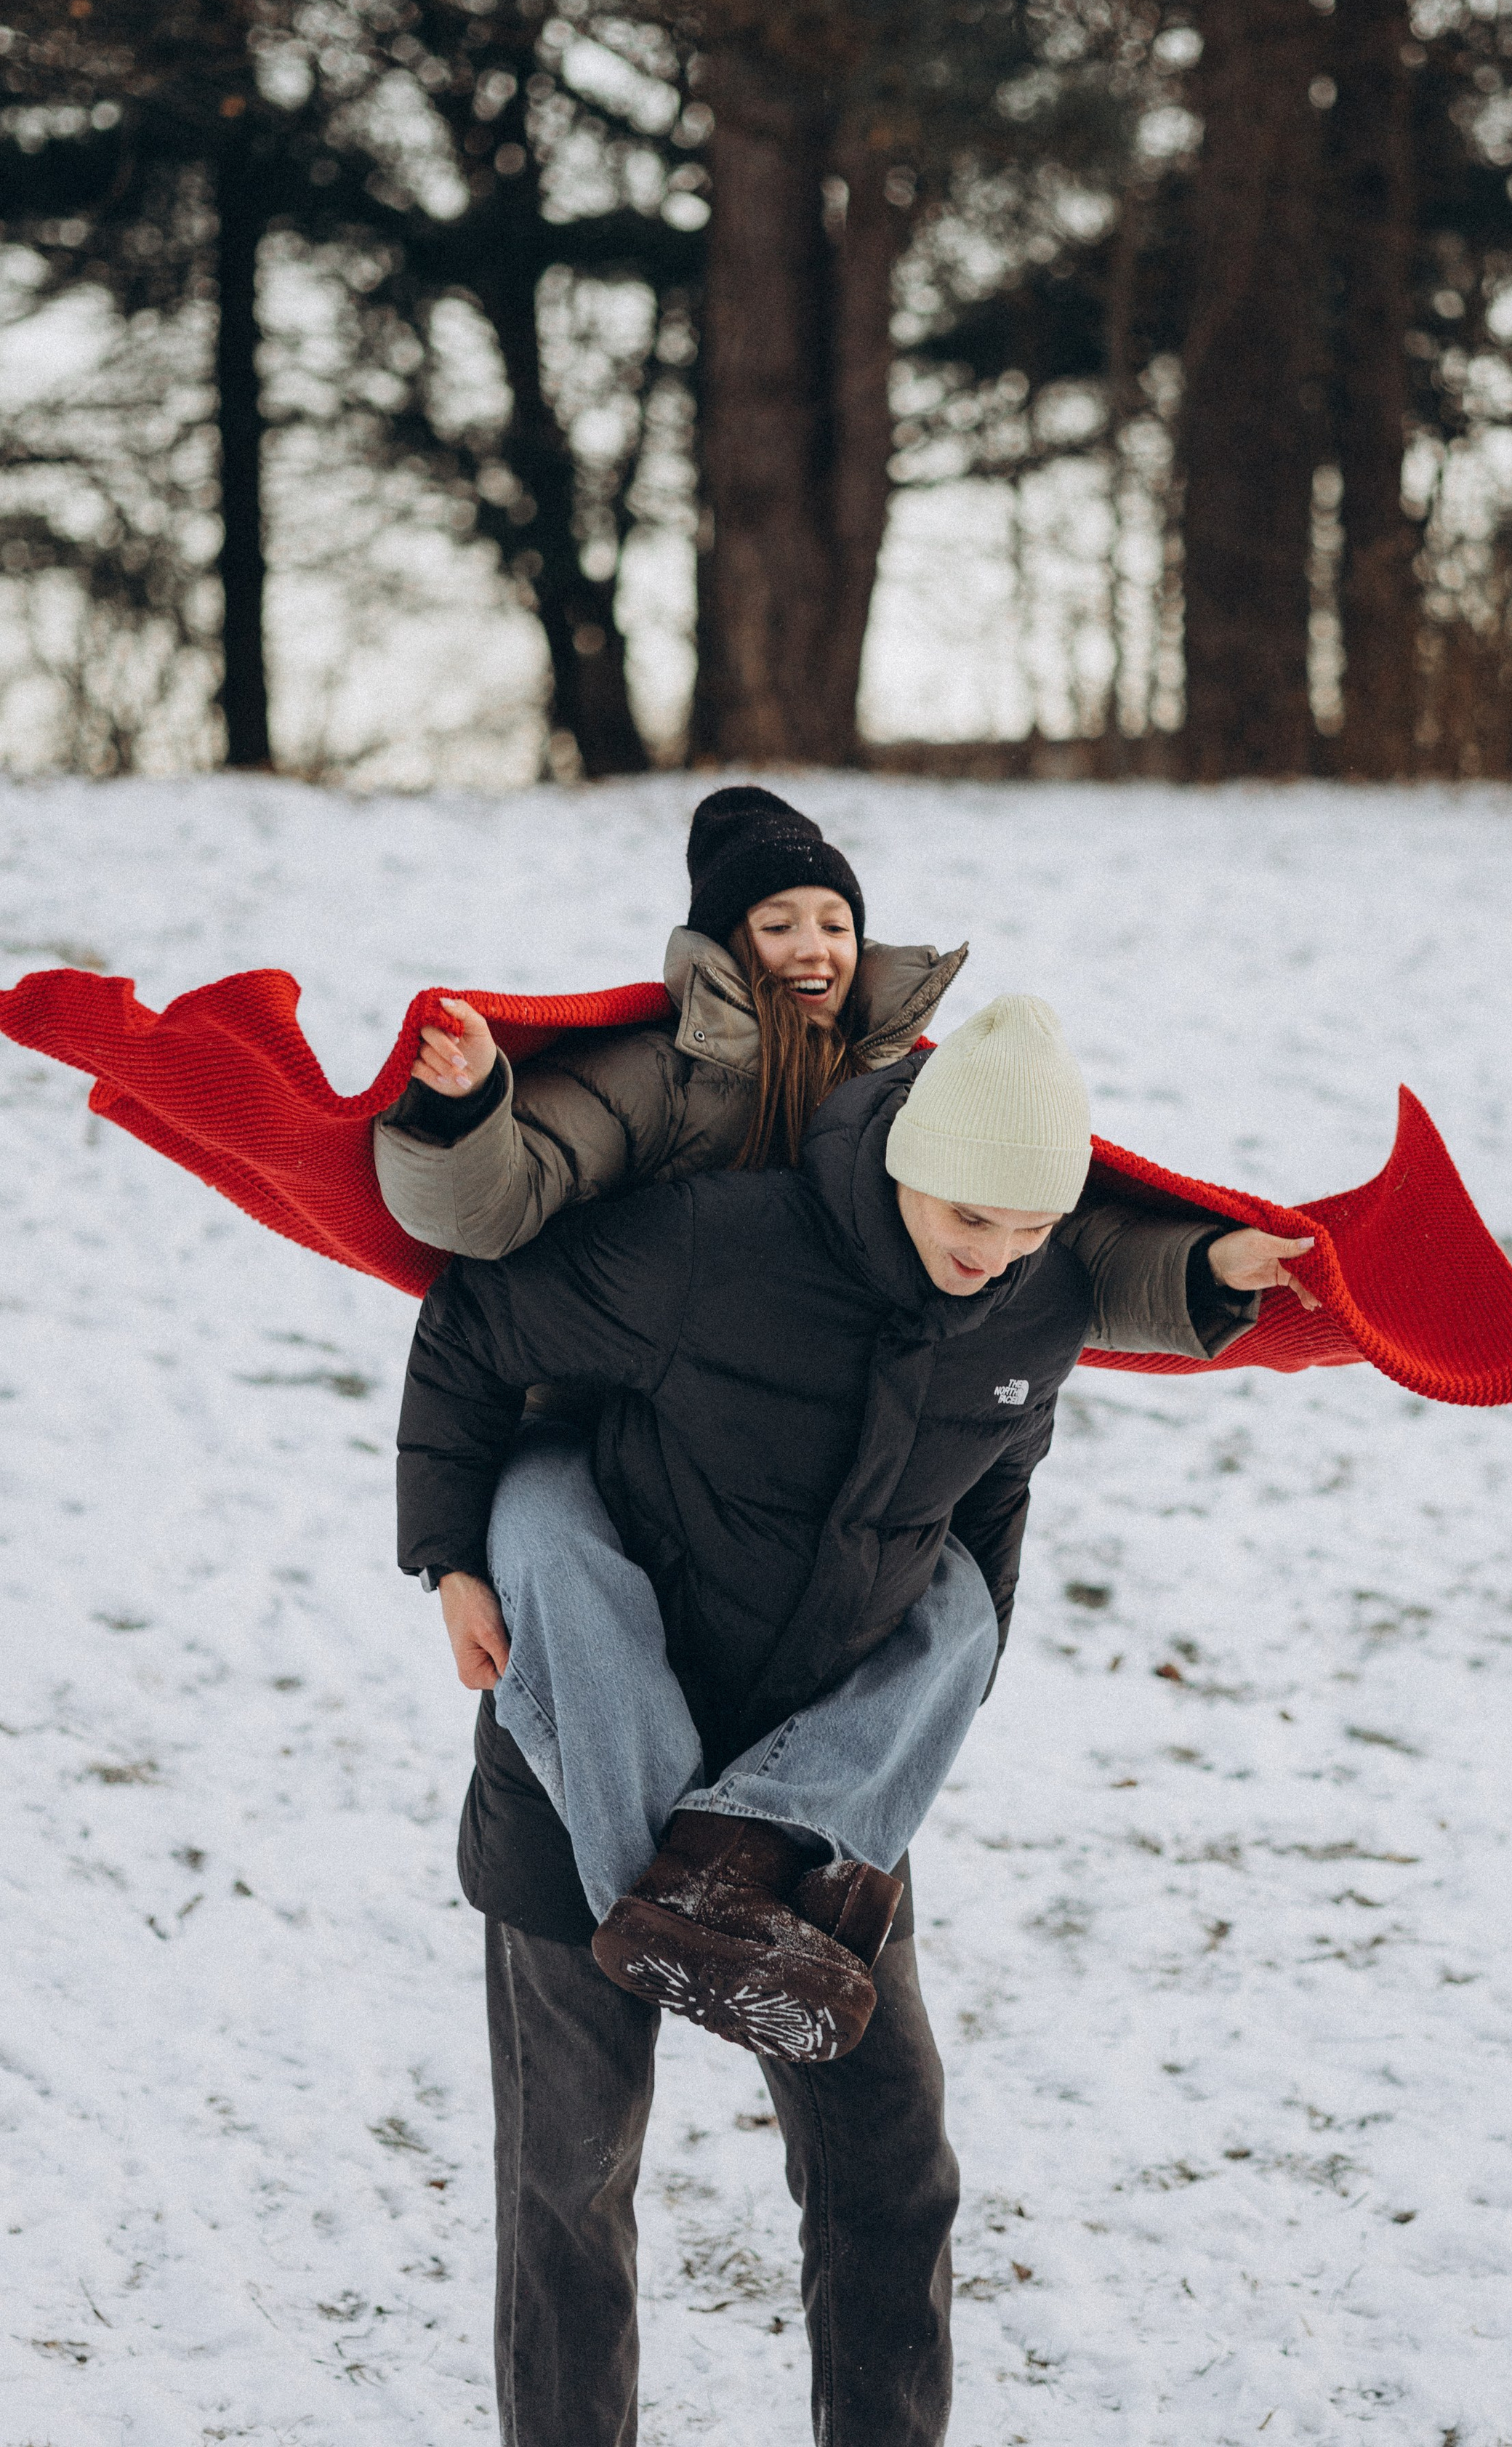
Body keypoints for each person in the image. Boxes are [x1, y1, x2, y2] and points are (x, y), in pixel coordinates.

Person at [397, 989, 1316, 2446]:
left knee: (893, 2177)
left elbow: (987, 1506)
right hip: (575, 1769)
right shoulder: (719, 1248)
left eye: (1027, 1225)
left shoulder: (1035, 1305)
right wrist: (450, 1553)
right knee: (569, 2191)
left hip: (808, 1808)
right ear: (904, 1159)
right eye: (967, 1212)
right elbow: (476, 1321)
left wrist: (917, 1709)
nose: (991, 1250)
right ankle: (657, 1899)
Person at [381, 788, 1310, 2060]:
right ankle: (670, 1907)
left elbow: (1059, 1238)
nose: (815, 945)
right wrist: (468, 1110)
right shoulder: (663, 1071)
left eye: (836, 920)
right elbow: (494, 1223)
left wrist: (1204, 1268)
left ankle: (730, 1875)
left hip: (820, 1443)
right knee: (554, 1544)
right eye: (780, 920)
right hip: (601, 1397)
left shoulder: (907, 1088)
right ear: (721, 941)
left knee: (955, 1613)